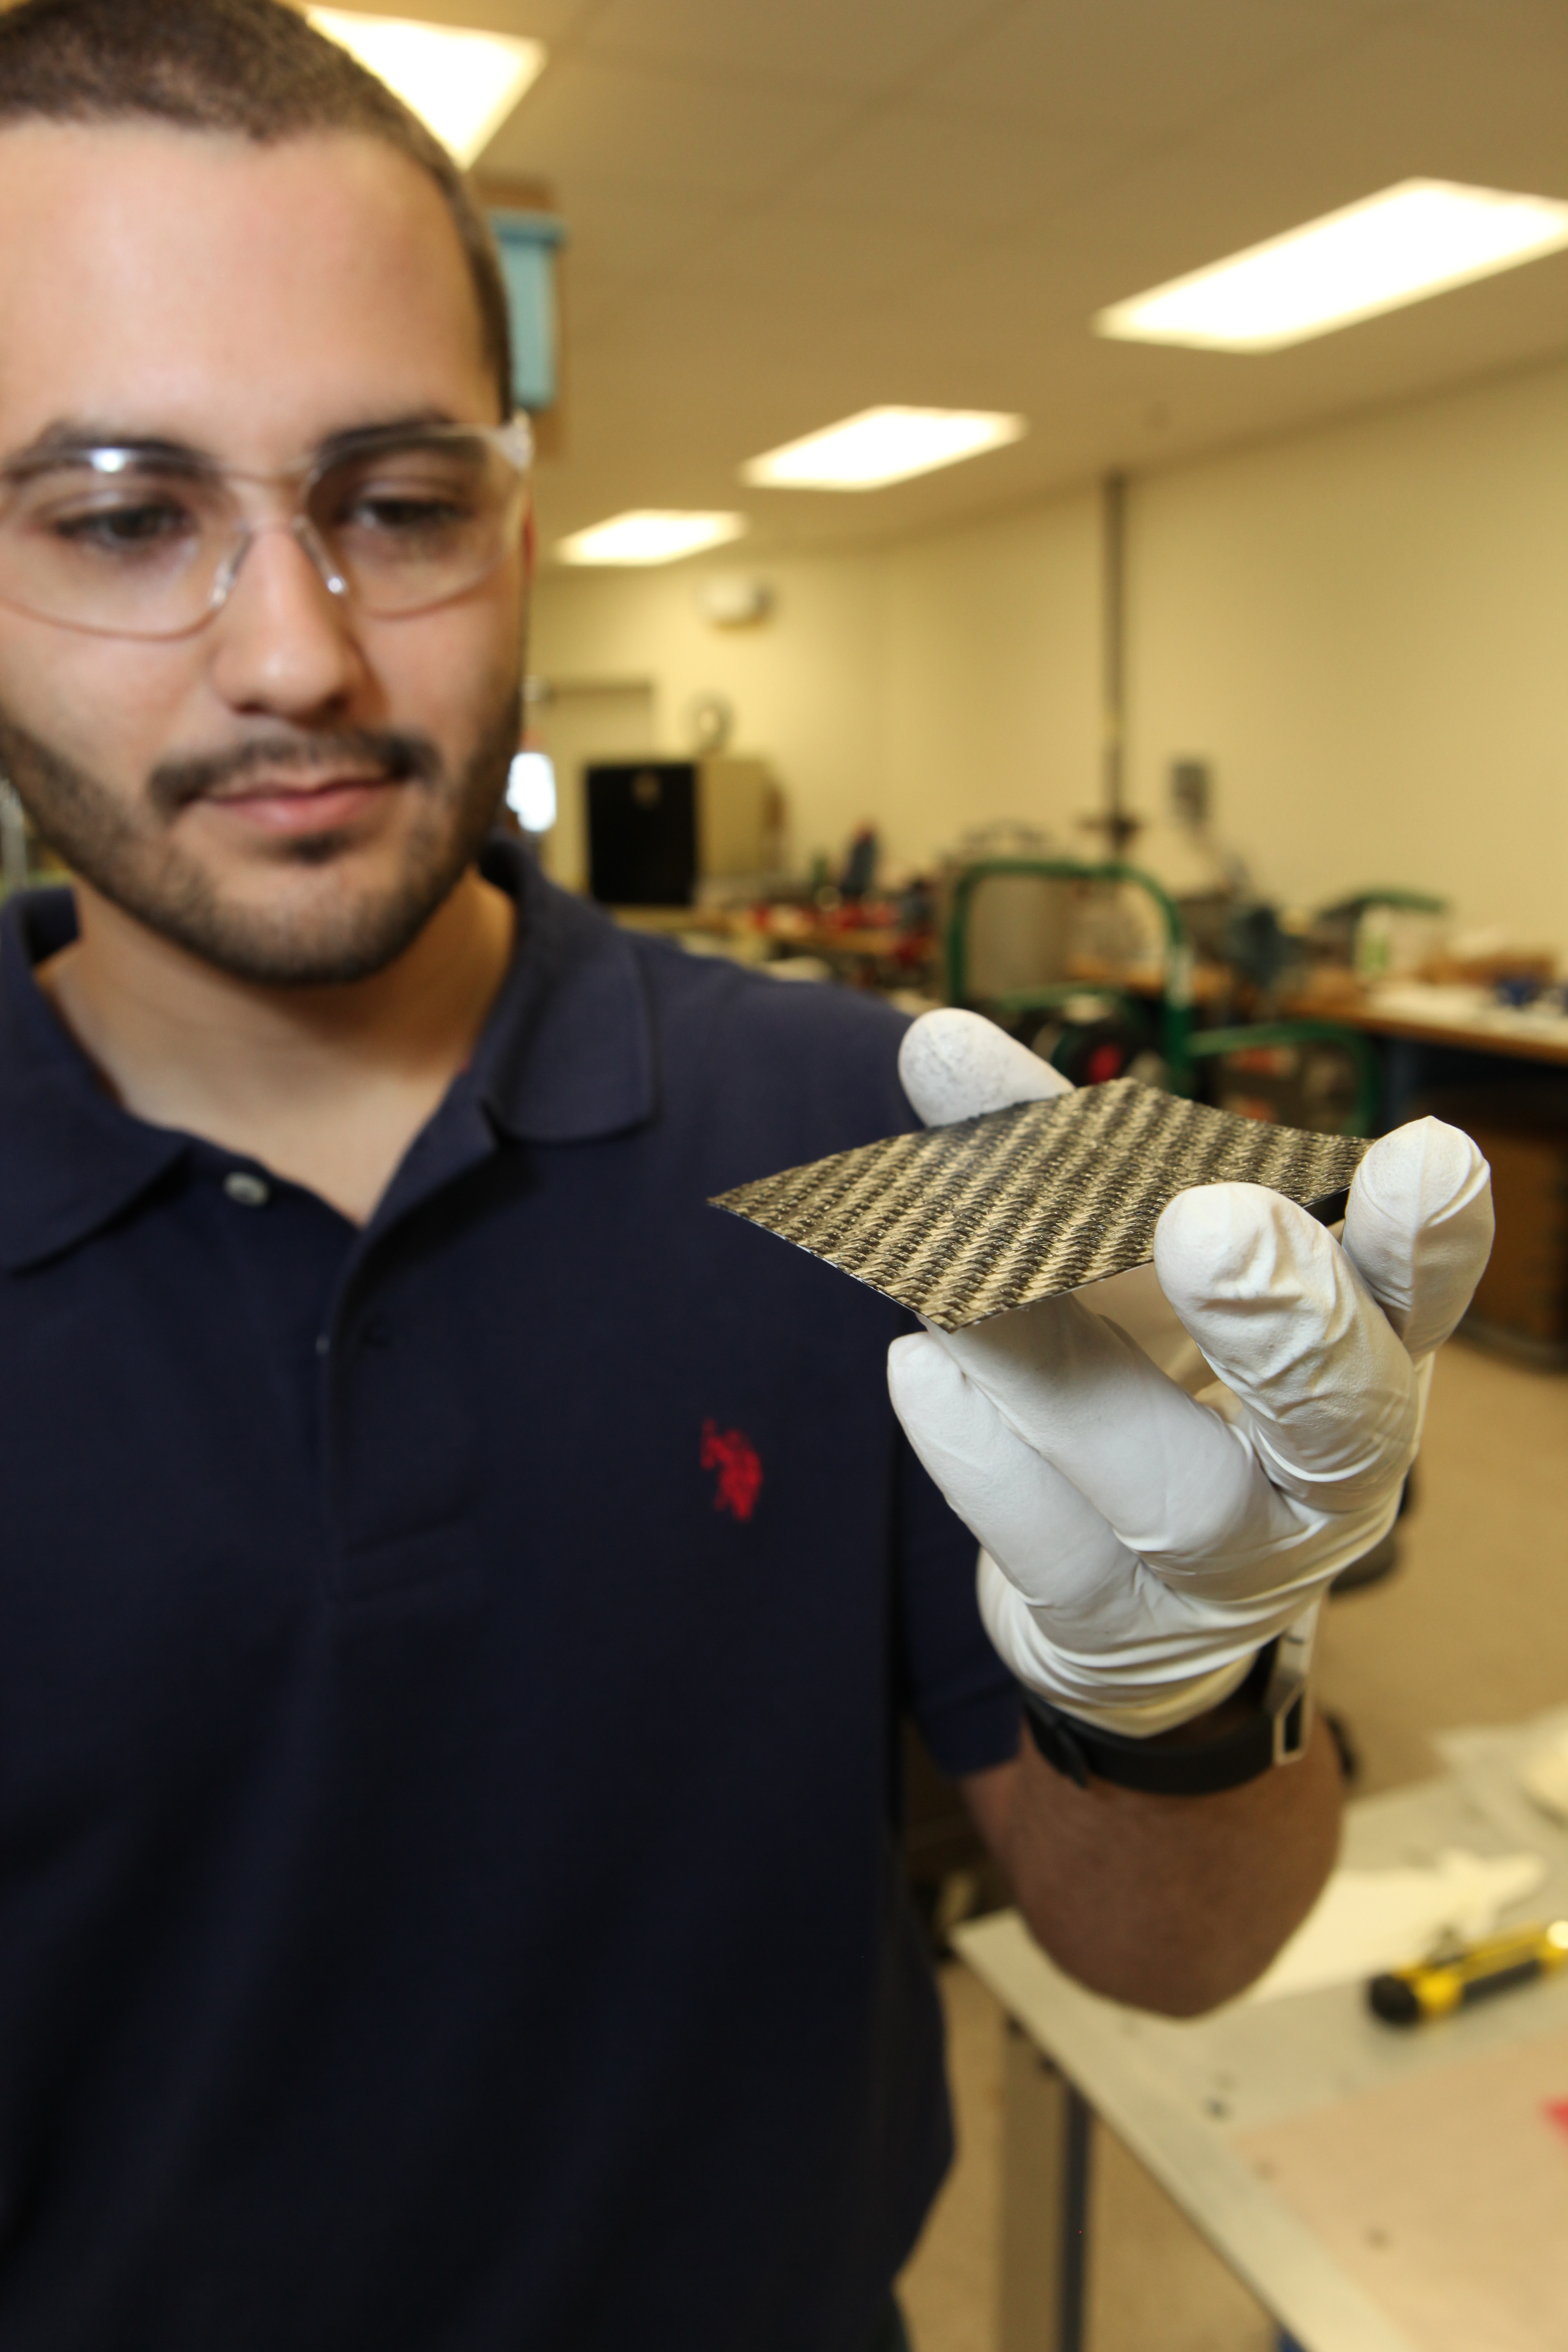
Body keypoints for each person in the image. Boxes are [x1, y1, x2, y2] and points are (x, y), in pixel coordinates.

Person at [0, 4, 1493, 2347]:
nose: (293, 655)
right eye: (119, 515)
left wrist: (1187, 1689)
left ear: (520, 519)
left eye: (399, 504)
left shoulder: (874, 1129)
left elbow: (1181, 1961)